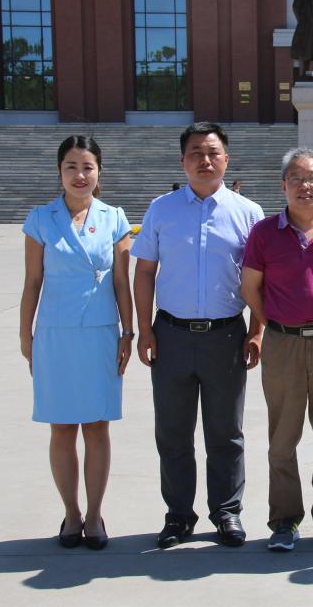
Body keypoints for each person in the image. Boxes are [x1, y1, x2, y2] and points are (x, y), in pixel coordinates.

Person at [131, 122, 265, 549]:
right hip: (170, 334)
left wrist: (257, 330)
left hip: (226, 337)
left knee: (226, 433)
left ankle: (226, 512)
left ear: (226, 159)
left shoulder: (249, 213)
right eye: (195, 153)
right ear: (182, 160)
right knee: (173, 432)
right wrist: (144, 329)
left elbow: (260, 279)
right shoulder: (161, 209)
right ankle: (178, 515)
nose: (204, 161)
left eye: (212, 153)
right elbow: (144, 272)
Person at [240, 149, 313, 552]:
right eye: (295, 178)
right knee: (282, 438)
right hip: (282, 344)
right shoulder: (264, 233)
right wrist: (274, 322)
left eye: (312, 178)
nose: (304, 185)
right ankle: (284, 521)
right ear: (283, 186)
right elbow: (250, 288)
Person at [19, 135, 134, 551]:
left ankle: (96, 514)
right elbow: (33, 282)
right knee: (62, 426)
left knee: (97, 426)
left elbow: (121, 282)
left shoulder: (114, 218)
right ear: (59, 171)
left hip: (101, 334)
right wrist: (26, 335)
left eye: (87, 167)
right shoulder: (40, 219)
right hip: (55, 335)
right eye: (71, 166)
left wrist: (128, 332)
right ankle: (71, 512)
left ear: (99, 172)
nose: (80, 175)